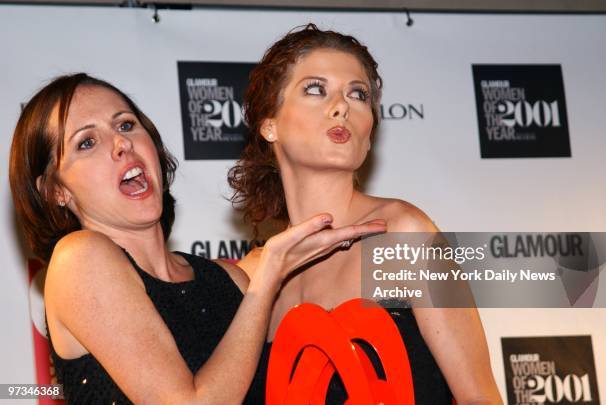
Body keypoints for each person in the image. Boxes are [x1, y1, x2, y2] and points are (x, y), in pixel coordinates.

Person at [8, 73, 386, 404]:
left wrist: (412, 236)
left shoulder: (233, 280)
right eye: (86, 143)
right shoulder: (79, 259)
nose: (121, 145)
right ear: (56, 191)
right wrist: (266, 282)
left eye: (125, 125)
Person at [230, 24, 503, 404]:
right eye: (315, 89)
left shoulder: (404, 234)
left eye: (358, 95)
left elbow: (479, 398)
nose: (341, 105)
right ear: (270, 124)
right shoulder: (250, 278)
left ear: (369, 131)